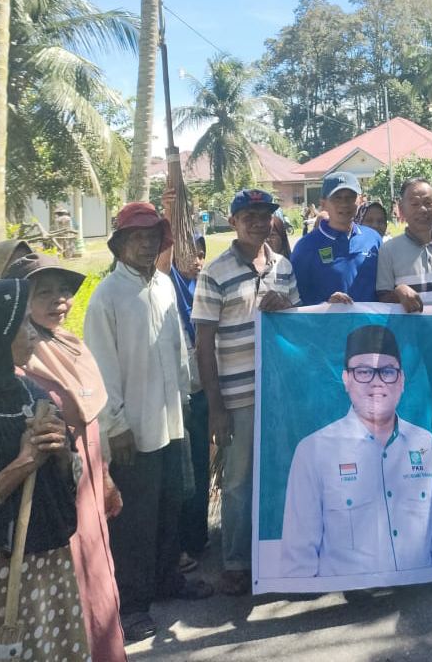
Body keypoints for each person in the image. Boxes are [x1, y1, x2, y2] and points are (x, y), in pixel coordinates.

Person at [84, 202, 211, 641]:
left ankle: (166, 580)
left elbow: (178, 347)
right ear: (119, 244)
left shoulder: (163, 285)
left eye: (153, 237)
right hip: (132, 429)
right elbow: (101, 367)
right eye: (137, 237)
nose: (146, 244)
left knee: (168, 509)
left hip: (171, 419)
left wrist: (188, 395)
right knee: (134, 521)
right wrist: (115, 424)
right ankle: (132, 605)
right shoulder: (107, 297)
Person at [6, 254, 126, 661]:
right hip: (55, 495)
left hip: (88, 479)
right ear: (19, 302)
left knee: (98, 576)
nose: (59, 300)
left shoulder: (69, 344)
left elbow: (93, 421)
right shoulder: (17, 361)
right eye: (44, 292)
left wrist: (103, 475)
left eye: (64, 291)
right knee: (72, 583)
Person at [192, 188, 299, 597]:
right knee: (237, 481)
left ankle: (275, 552)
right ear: (233, 221)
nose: (258, 222)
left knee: (279, 473)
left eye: (264, 215)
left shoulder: (283, 267)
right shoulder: (214, 272)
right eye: (249, 216)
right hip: (236, 396)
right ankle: (236, 561)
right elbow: (204, 344)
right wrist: (215, 407)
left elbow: (297, 325)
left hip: (278, 393)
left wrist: (286, 306)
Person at [280, 325, 432, 576]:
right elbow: (299, 557)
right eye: (363, 372)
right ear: (346, 379)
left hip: (419, 594)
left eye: (388, 371)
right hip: (345, 598)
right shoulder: (313, 451)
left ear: (402, 380)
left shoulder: (424, 444)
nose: (376, 382)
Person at [0, 278, 91, 661]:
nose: (34, 334)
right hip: (4, 572)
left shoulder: (33, 395)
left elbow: (73, 473)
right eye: (23, 325)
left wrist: (62, 453)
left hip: (49, 562)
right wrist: (23, 464)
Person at [157, 188, 211, 572]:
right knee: (181, 470)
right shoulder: (167, 279)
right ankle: (176, 542)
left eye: (199, 251)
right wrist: (170, 212)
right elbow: (162, 260)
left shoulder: (205, 282)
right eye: (186, 250)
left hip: (203, 383)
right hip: (177, 390)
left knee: (200, 464)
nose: (194, 258)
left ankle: (198, 536)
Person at [291, 172, 383, 305]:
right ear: (323, 204)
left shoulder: (373, 238)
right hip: (327, 318)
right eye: (337, 198)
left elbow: (386, 287)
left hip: (370, 319)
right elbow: (296, 298)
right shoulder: (306, 246)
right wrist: (326, 305)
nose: (344, 203)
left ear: (360, 200)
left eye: (350, 197)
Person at [376, 178, 432, 312]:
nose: (423, 209)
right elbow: (382, 299)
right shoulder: (388, 250)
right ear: (401, 209)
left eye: (428, 203)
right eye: (414, 204)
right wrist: (399, 292)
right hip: (408, 326)